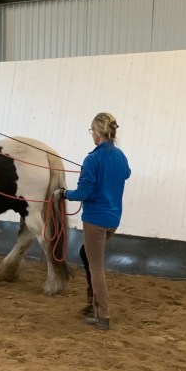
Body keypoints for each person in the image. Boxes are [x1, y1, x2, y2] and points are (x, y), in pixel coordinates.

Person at [56, 112, 131, 331]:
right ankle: (94, 304)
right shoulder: (120, 156)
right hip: (113, 219)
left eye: (92, 131)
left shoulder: (92, 159)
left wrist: (63, 193)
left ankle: (102, 316)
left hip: (95, 220)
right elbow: (127, 173)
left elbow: (83, 193)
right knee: (85, 254)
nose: (92, 135)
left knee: (96, 267)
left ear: (98, 132)